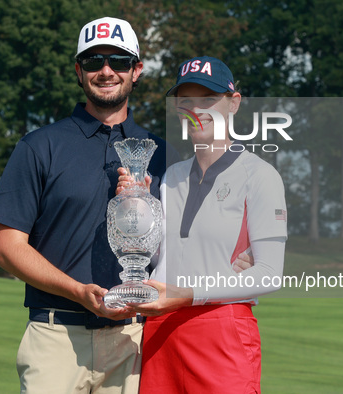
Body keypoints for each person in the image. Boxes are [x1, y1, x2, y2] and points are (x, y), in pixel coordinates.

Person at [0, 16, 173, 394]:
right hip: (56, 337)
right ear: (78, 70)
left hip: (135, 339)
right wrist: (77, 291)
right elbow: (7, 249)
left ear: (136, 70)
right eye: (93, 61)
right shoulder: (40, 146)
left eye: (118, 61)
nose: (106, 71)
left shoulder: (163, 154)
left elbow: (184, 247)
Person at [123, 56, 288, 393]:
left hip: (222, 333)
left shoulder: (259, 175)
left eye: (208, 99)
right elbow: (156, 258)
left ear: (233, 103)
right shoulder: (170, 177)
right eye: (186, 101)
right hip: (160, 333)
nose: (196, 110)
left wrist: (189, 295)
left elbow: (270, 273)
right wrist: (132, 205)